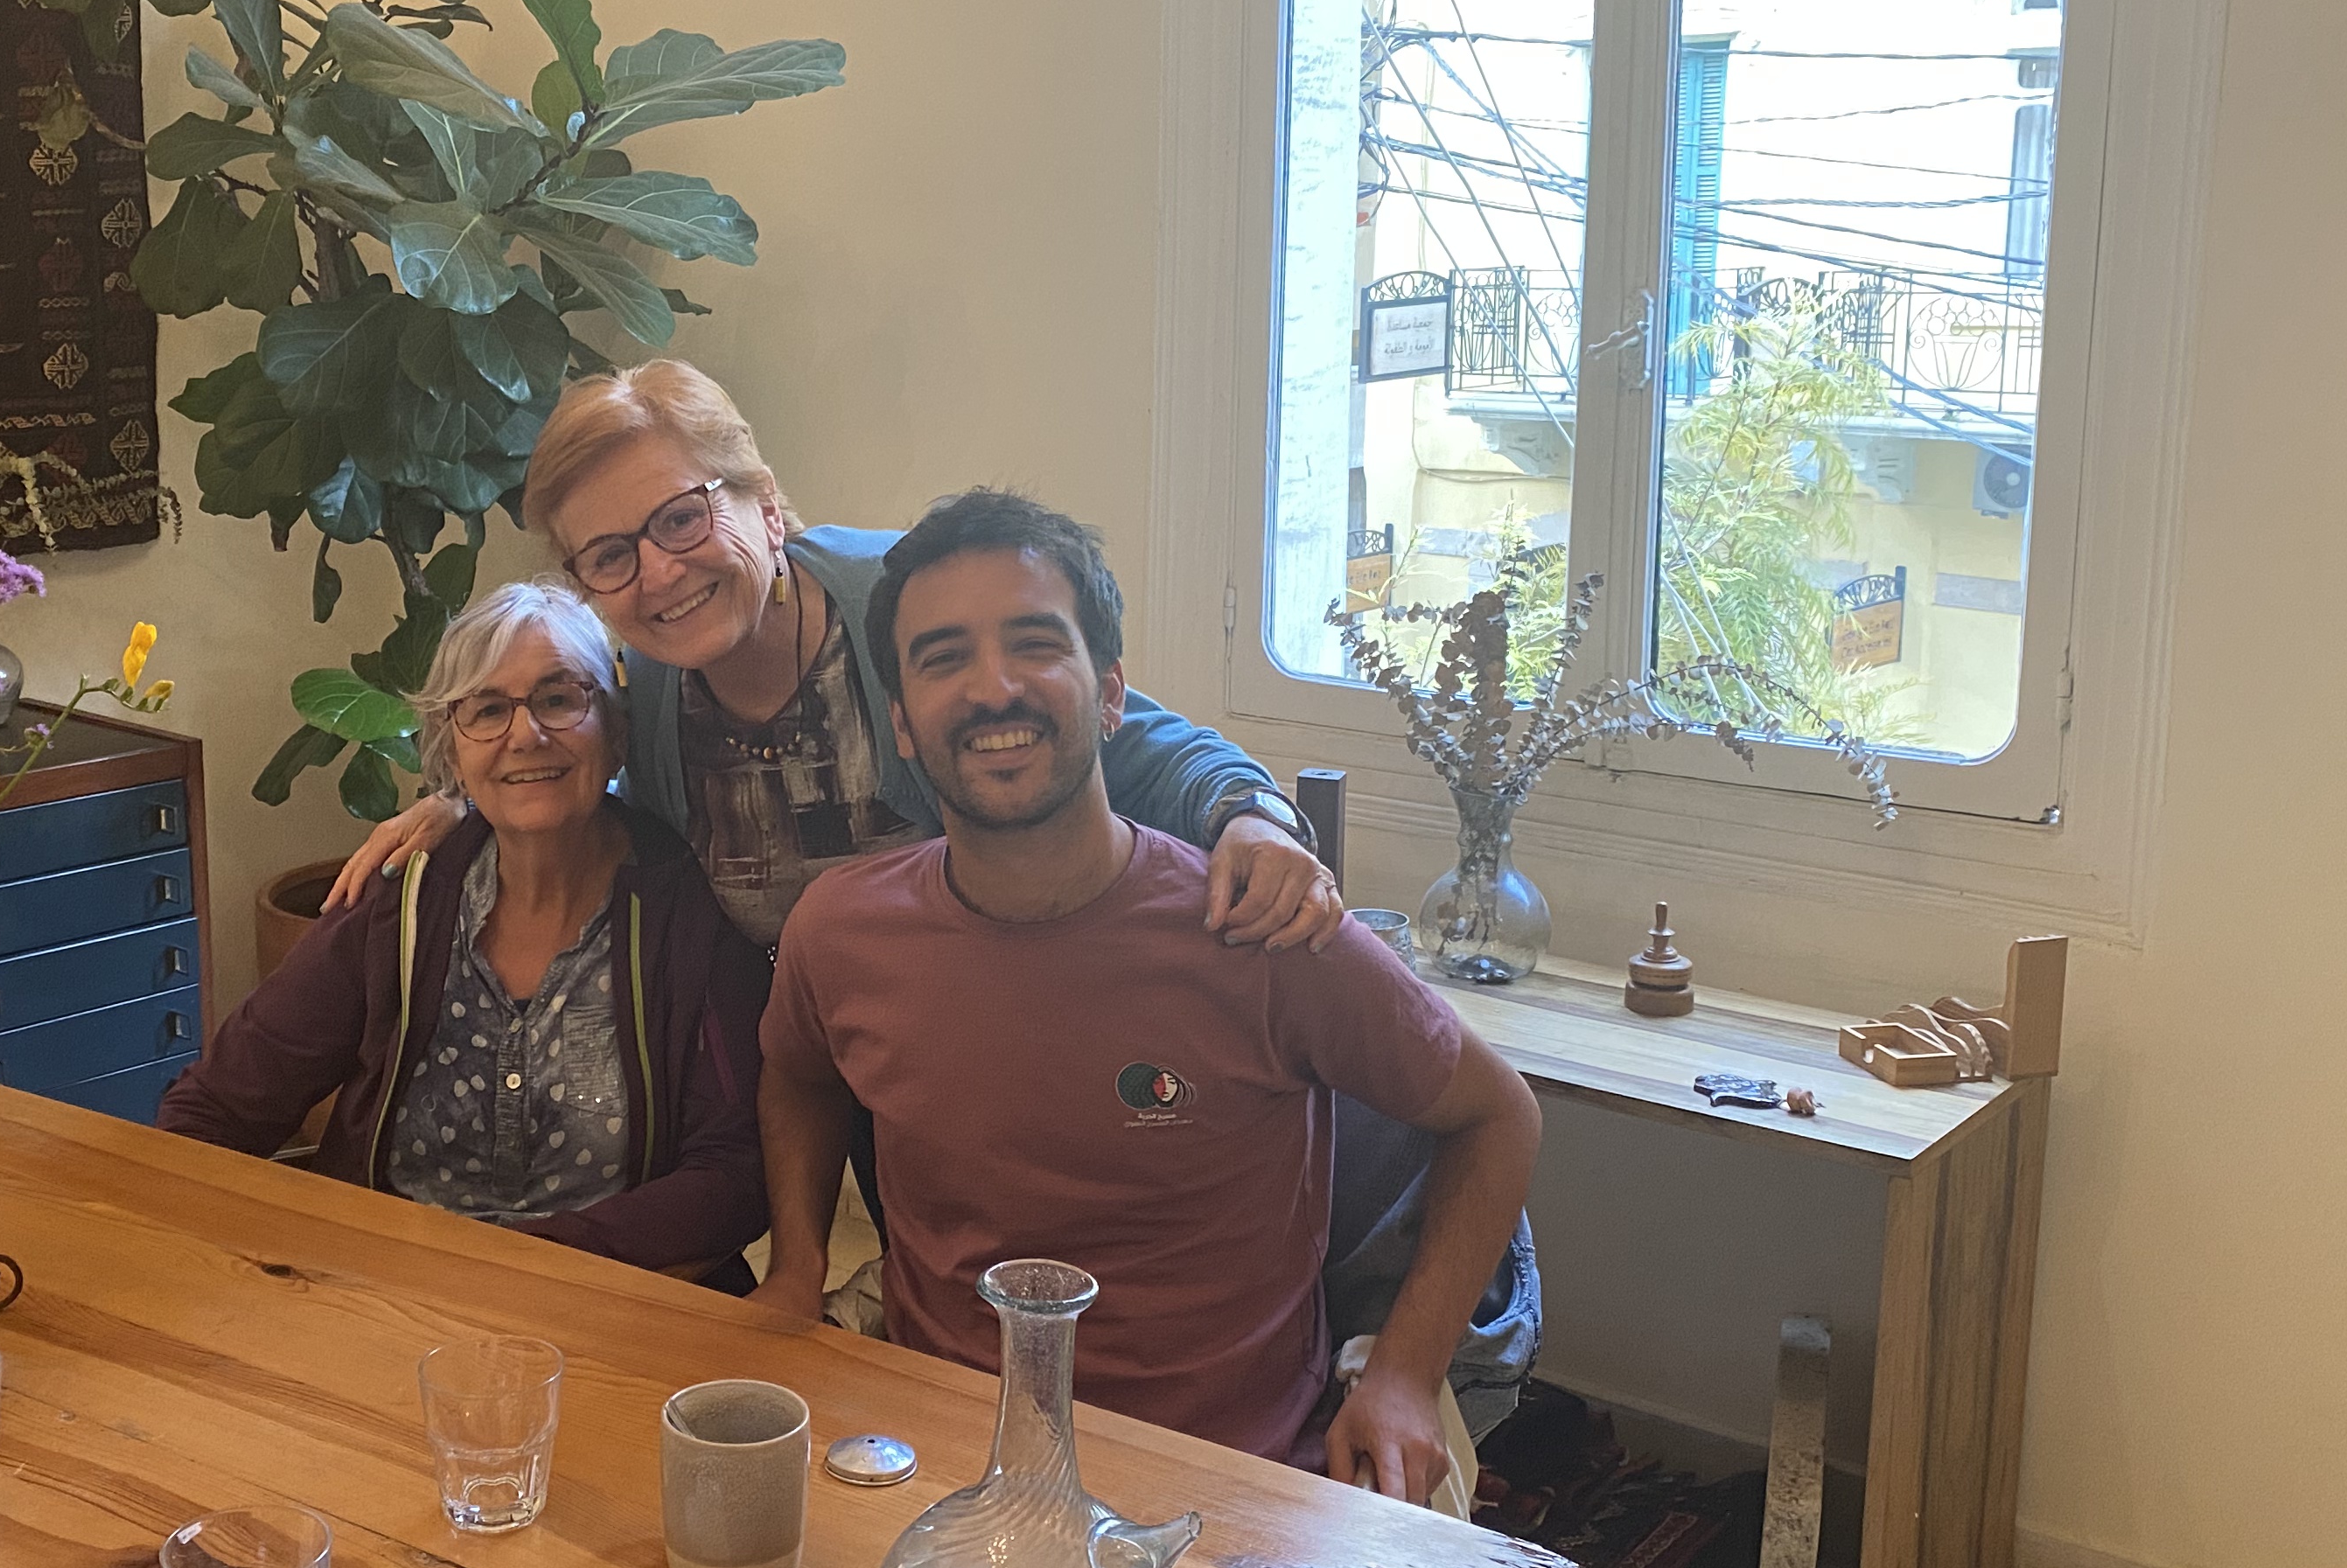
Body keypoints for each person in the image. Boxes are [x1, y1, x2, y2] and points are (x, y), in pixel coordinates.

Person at [751, 488, 1542, 1509]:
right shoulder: (841, 931)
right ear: (902, 724)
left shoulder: (1260, 928)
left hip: (1229, 1484)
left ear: (1112, 694)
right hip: (943, 1465)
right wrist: (796, 1266)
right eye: (943, 659)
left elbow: (1497, 1113)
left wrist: (1402, 1374)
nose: (994, 688)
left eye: (1034, 644)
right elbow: (799, 1076)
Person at [325, 359, 1343, 957]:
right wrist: (469, 804)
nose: (659, 573)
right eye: (610, 555)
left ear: (764, 506)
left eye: (681, 518)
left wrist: (1251, 818)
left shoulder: (902, 602)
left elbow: (1132, 738)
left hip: (1020, 1000)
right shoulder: (656, 683)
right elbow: (613, 797)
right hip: (843, 1057)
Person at [158, 583, 770, 1285]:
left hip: (602, 1299)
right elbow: (216, 1108)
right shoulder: (401, 901)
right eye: (487, 710)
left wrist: (521, 1266)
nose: (525, 735)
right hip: (384, 1298)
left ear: (617, 731)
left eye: (558, 698)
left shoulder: (689, 911)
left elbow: (734, 1175)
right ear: (452, 751)